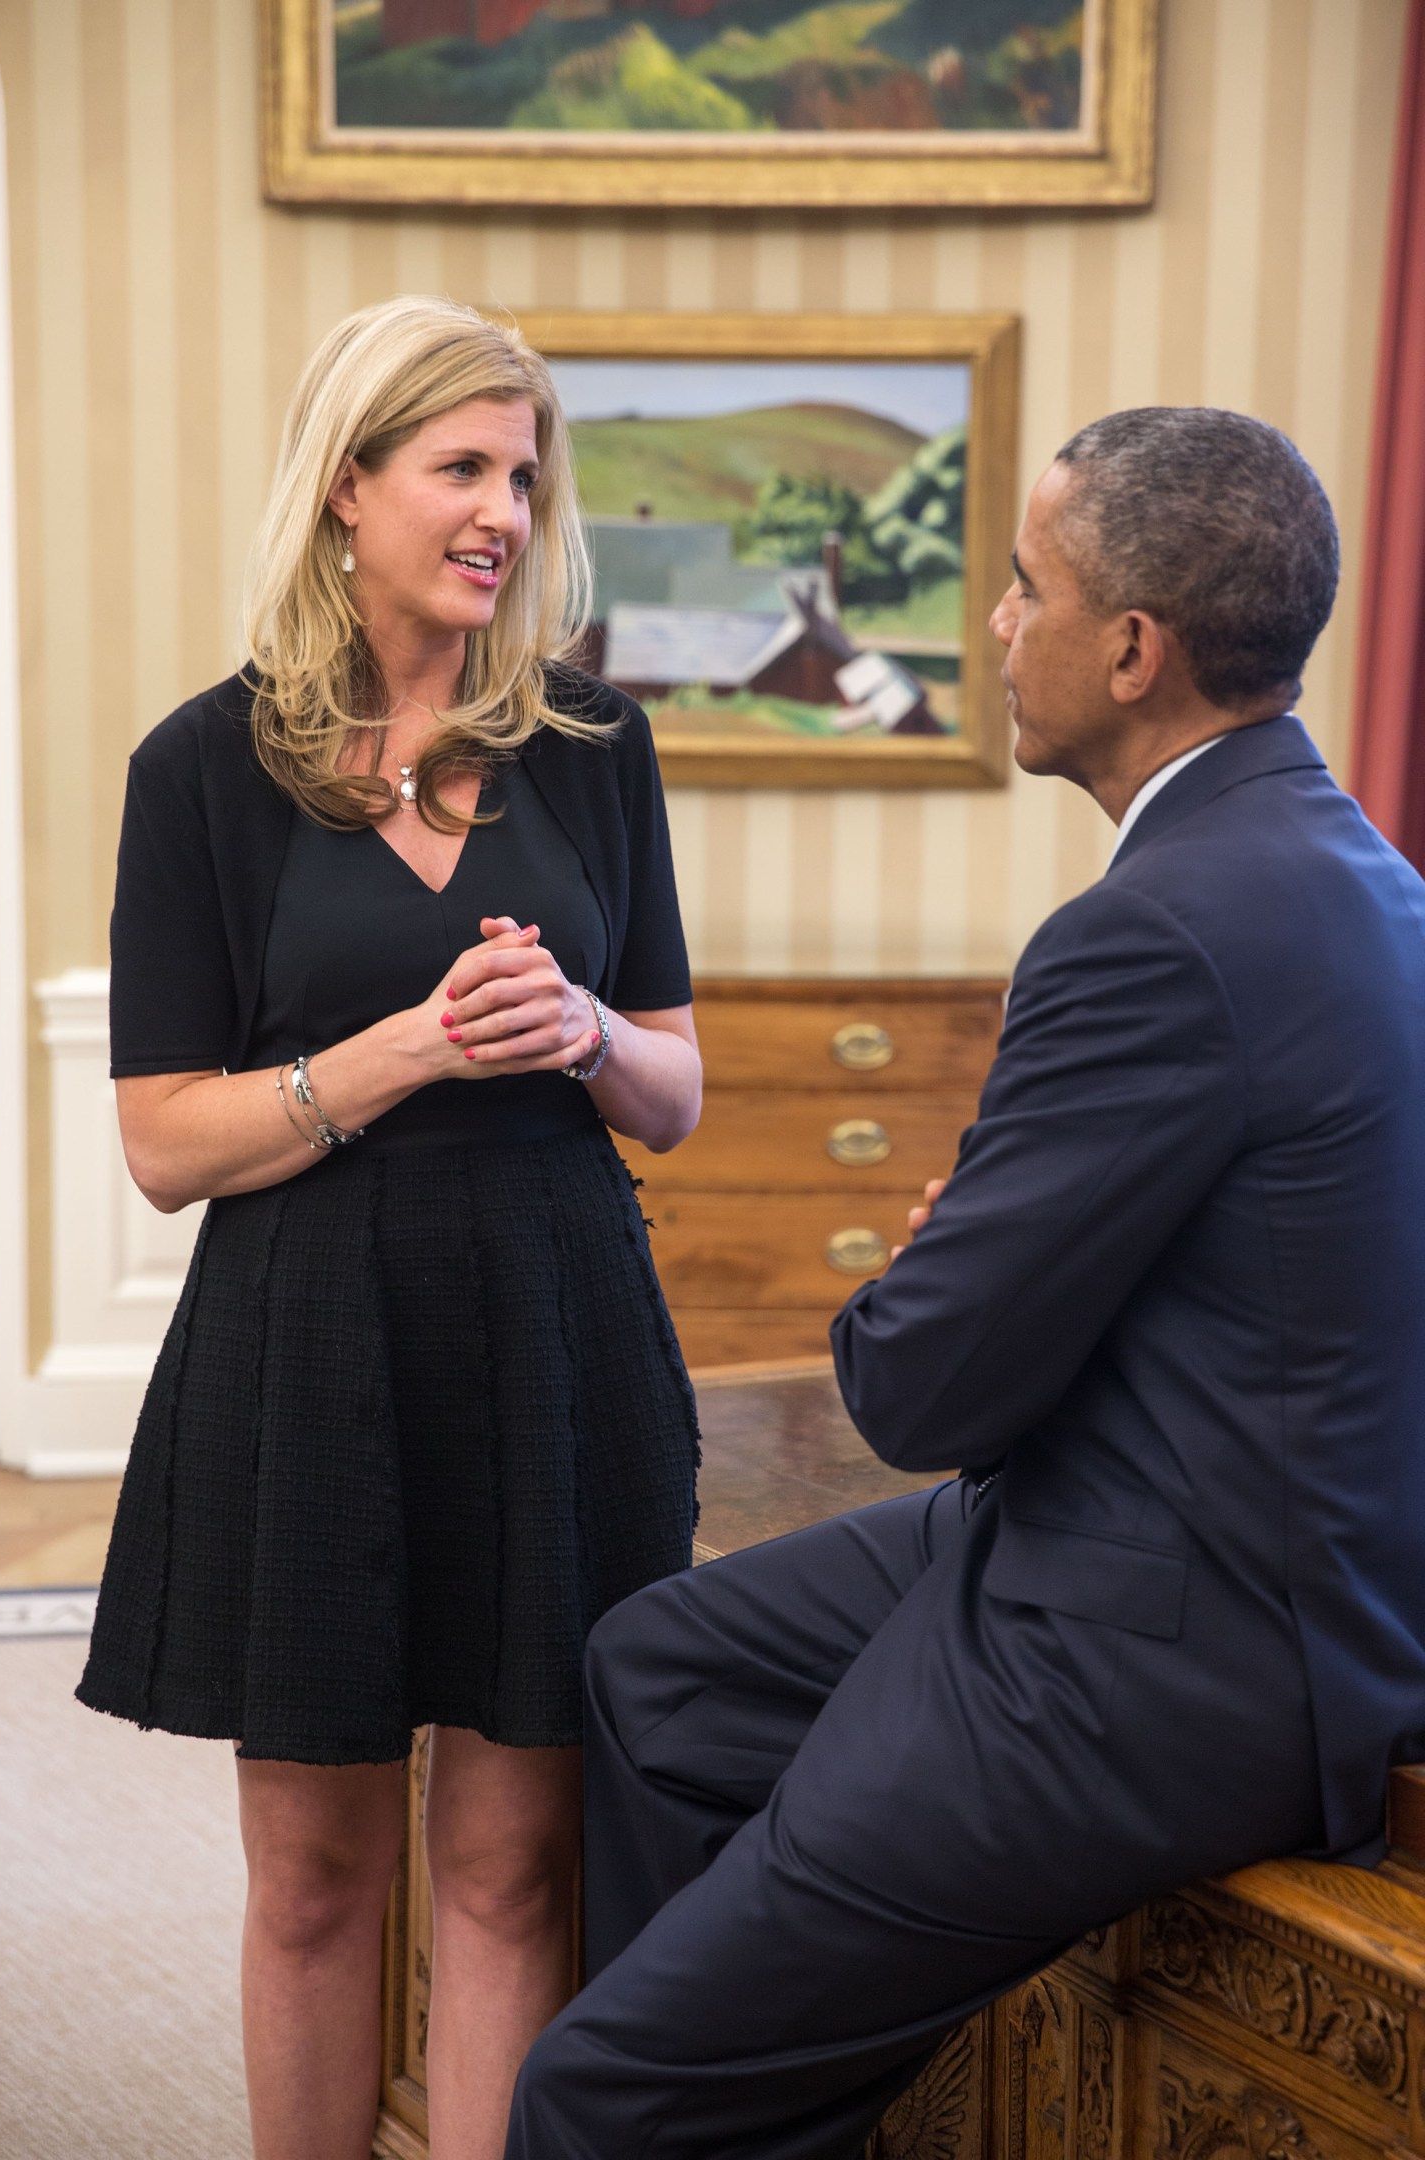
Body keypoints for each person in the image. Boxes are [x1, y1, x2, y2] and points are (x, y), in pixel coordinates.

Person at [502, 407, 1425, 2159]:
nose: (997, 626)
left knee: (590, 2100)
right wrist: (1007, 1247)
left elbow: (919, 1392)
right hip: (1180, 1535)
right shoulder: (1359, 877)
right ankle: (743, 2070)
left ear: (1134, 648)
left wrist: (946, 1251)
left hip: (1161, 1642)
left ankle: (673, 2090)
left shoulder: (1148, 931)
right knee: (658, 1671)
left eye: (1024, 588)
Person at [76, 294, 703, 2160]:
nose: (503, 509)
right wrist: (396, 1057)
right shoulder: (201, 768)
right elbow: (165, 1145)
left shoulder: (595, 747)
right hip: (308, 1340)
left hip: (556, 1327)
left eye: (524, 473)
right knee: (319, 1872)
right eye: (460, 468)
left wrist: (586, 1031)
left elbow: (673, 1090)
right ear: (349, 489)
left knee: (516, 1865)